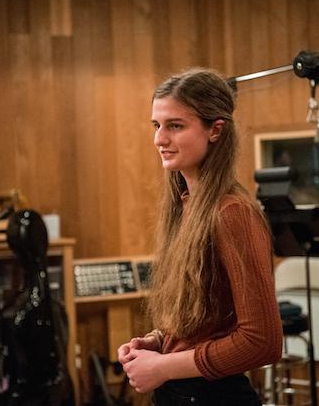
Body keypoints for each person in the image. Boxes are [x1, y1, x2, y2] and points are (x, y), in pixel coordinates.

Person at [117, 68, 282, 405]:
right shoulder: (186, 205)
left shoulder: (232, 212)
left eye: (175, 126)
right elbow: (208, 317)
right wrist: (160, 341)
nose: (159, 139)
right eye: (156, 126)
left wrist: (164, 367)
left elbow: (262, 340)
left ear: (215, 130)